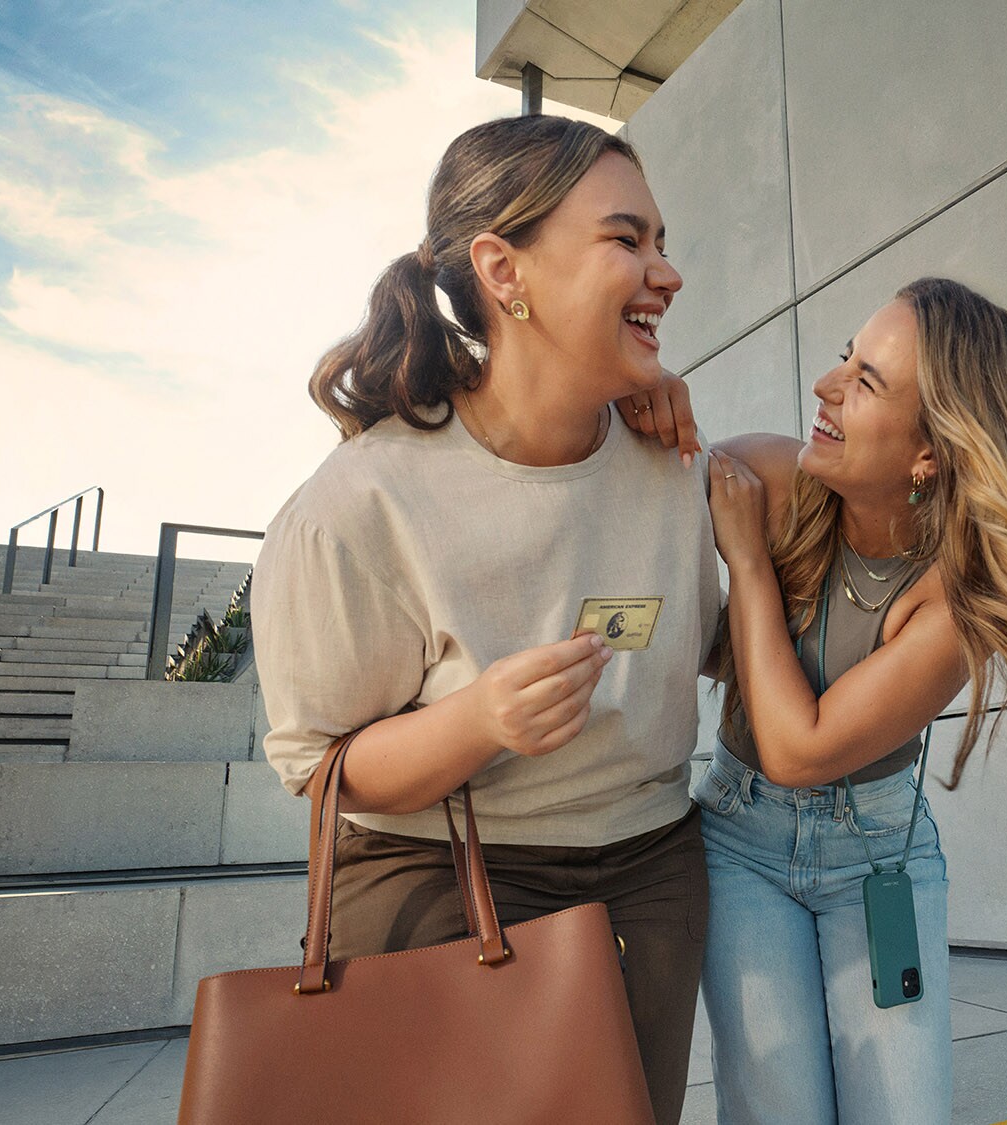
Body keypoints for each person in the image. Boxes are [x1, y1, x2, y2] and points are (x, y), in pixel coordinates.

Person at [251, 114, 715, 1125]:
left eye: (662, 243)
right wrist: (477, 725)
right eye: (625, 240)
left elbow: (708, 637)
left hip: (651, 877)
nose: (665, 273)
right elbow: (318, 767)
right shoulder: (359, 505)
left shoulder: (670, 458)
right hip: (437, 884)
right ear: (504, 270)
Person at [695, 277, 1007, 1123]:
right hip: (738, 843)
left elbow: (800, 748)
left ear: (930, 452)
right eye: (846, 358)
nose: (827, 385)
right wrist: (652, 399)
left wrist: (746, 567)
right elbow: (624, 498)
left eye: (868, 381)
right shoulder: (768, 481)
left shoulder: (952, 604)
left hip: (875, 858)